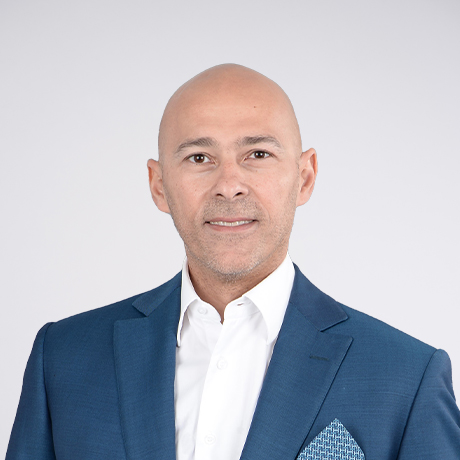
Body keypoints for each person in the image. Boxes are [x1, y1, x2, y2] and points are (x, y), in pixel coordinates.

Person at [7, 64, 460, 460]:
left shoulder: (406, 378)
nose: (229, 184)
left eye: (258, 154)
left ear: (304, 177)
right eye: (199, 157)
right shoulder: (63, 359)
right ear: (159, 185)